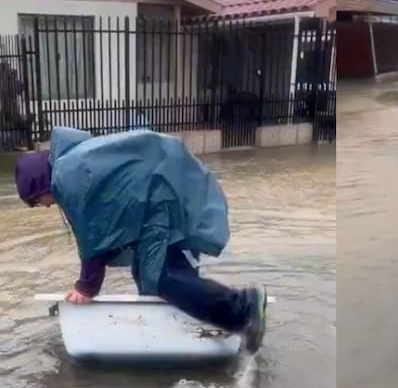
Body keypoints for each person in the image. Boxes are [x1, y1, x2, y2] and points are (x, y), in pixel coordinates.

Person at [15, 126, 268, 352]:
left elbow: (93, 238)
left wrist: (86, 287)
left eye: (37, 202)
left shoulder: (67, 178)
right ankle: (199, 319)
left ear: (42, 186)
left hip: (158, 196)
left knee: (158, 277)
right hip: (162, 185)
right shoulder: (71, 164)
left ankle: (244, 308)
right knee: (153, 272)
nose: (45, 207)